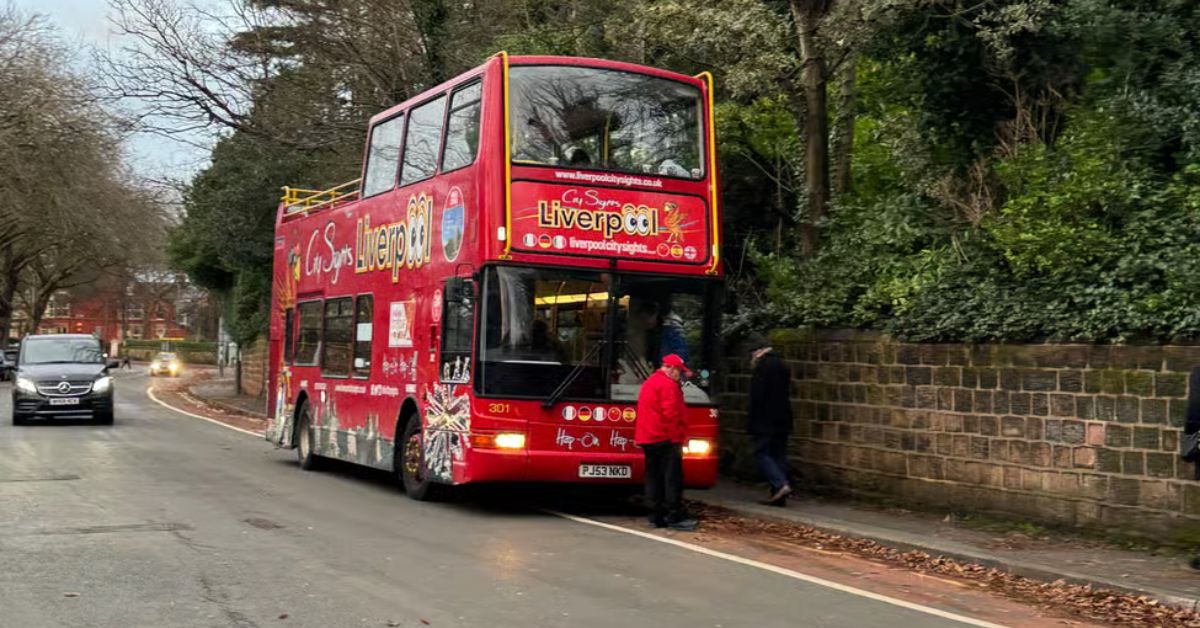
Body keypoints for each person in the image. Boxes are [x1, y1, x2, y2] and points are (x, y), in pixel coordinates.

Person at [635, 353, 697, 531]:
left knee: (654, 477)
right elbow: (671, 413)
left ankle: (656, 515)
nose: (680, 376)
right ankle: (674, 515)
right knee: (672, 478)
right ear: (671, 368)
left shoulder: (650, 382)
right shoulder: (668, 385)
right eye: (679, 371)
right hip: (665, 437)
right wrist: (677, 437)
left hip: (648, 438)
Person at [746, 333, 793, 506]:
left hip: (765, 419)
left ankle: (780, 484)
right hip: (783, 417)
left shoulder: (762, 367)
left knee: (761, 453)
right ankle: (779, 496)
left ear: (757, 352)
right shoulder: (782, 365)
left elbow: (757, 396)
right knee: (778, 454)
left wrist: (752, 421)